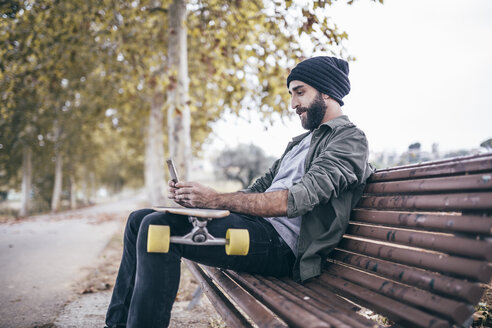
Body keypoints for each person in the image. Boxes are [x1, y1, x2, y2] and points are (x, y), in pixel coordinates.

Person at [105, 56, 373, 328]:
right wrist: (200, 200)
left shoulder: (349, 139)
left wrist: (215, 199)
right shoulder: (300, 144)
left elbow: (297, 199)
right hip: (256, 229)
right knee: (138, 220)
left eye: (300, 92)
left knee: (158, 229)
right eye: (291, 94)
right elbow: (256, 190)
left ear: (326, 91)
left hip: (282, 248)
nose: (293, 104)